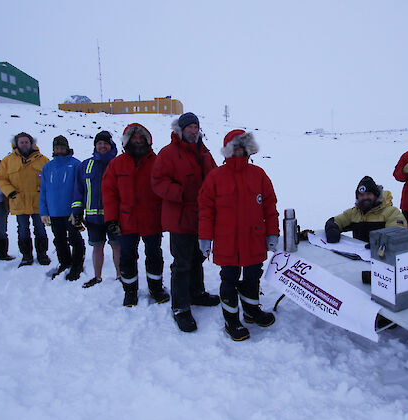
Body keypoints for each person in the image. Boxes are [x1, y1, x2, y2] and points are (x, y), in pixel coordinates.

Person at [198, 130, 279, 341]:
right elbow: (206, 210)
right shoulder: (215, 177)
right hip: (227, 241)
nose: (239, 150)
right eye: (235, 146)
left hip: (254, 240)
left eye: (242, 146)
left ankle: (252, 311)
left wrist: (272, 233)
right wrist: (205, 237)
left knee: (253, 277)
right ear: (227, 150)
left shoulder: (259, 174)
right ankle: (231, 320)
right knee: (229, 280)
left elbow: (270, 207)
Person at [152, 112, 220, 332]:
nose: (193, 130)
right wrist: (180, 192)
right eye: (189, 127)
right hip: (180, 217)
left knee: (198, 257)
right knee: (181, 263)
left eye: (196, 127)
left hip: (202, 216)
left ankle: (197, 292)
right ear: (180, 130)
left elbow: (215, 175)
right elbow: (158, 181)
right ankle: (180, 307)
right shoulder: (168, 153)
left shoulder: (205, 152)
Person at [102, 123, 169, 306]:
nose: (137, 141)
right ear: (127, 141)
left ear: (147, 140)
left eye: (141, 138)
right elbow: (109, 193)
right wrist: (111, 219)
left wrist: (166, 217)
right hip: (126, 220)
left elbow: (165, 191)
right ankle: (130, 291)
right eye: (134, 138)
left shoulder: (158, 162)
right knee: (127, 256)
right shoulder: (116, 164)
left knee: (154, 255)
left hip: (152, 219)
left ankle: (156, 288)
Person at [72, 130, 121, 288]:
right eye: (99, 143)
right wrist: (77, 211)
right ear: (95, 146)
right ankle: (97, 276)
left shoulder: (118, 163)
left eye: (105, 143)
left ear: (111, 145)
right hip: (93, 218)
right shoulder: (85, 165)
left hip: (115, 216)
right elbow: (78, 190)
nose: (102, 146)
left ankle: (120, 275)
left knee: (117, 246)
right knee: (97, 247)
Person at [0, 132, 51, 267]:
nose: (24, 144)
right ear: (16, 144)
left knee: (40, 228)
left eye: (26, 142)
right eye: (21, 142)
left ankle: (42, 254)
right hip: (18, 201)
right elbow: (0, 178)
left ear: (31, 143)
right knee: (23, 229)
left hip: (38, 202)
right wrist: (10, 192)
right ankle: (26, 256)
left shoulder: (43, 160)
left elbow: (50, 180)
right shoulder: (7, 161)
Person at [40, 135, 85, 280]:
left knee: (75, 238)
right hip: (54, 212)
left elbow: (80, 189)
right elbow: (44, 190)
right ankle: (64, 263)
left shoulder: (76, 164)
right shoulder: (48, 167)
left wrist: (77, 210)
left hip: (70, 211)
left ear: (67, 148)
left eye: (62, 147)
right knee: (59, 240)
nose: (59, 150)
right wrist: (44, 211)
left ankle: (77, 264)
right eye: (56, 148)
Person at [324, 176, 407, 243]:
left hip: (384, 259)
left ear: (376, 195)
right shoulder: (354, 213)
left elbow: (397, 234)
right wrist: (332, 229)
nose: (365, 198)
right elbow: (335, 221)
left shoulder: (391, 212)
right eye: (361, 195)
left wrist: (378, 244)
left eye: (368, 194)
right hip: (359, 259)